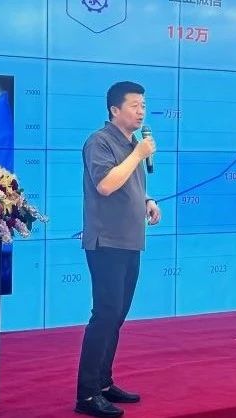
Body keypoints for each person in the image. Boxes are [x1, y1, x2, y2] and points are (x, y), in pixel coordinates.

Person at [75, 81, 161, 417]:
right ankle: (86, 395)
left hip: (130, 240)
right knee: (105, 314)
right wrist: (139, 154)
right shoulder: (99, 141)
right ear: (114, 109)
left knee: (117, 316)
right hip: (106, 241)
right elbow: (106, 184)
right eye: (135, 106)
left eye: (144, 105)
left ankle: (103, 382)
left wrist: (148, 199)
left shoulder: (132, 143)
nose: (141, 112)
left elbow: (128, 183)